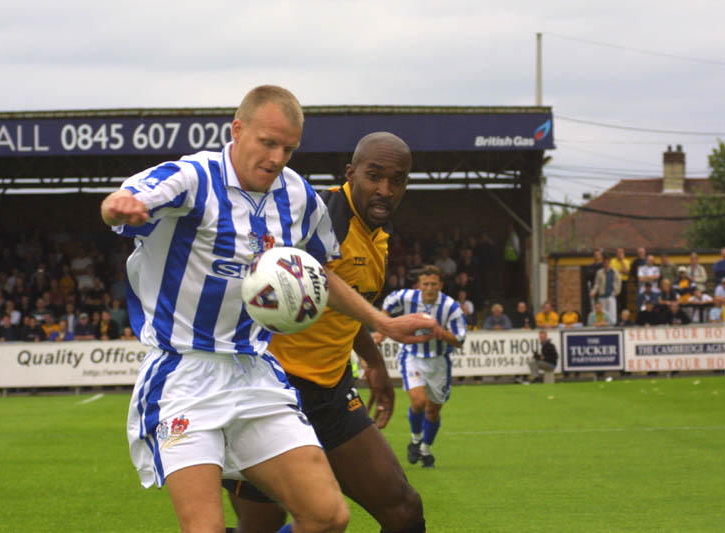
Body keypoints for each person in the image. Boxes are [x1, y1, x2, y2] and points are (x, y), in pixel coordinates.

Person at [100, 85, 436, 532]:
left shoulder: (297, 196)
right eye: (268, 142)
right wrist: (120, 206)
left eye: (289, 148)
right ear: (238, 130)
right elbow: (126, 201)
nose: (278, 157)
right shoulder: (195, 177)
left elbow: (318, 271)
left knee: (328, 516)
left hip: (256, 373)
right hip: (184, 376)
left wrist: (381, 323)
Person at [223, 132, 427, 533]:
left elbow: (341, 311)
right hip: (273, 394)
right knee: (266, 525)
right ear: (351, 174)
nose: (385, 190)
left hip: (331, 395)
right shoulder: (318, 218)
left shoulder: (376, 236)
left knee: (404, 512)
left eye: (397, 180)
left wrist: (374, 364)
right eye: (374, 176)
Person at [381, 265, 467, 468]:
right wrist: (382, 327)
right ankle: (415, 439)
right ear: (419, 285)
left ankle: (426, 450)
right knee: (419, 402)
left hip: (439, 361)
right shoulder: (407, 296)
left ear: (440, 285)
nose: (429, 288)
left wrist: (440, 332)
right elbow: (389, 303)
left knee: (433, 411)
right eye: (425, 284)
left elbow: (460, 339)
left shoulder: (450, 307)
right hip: (413, 356)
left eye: (433, 284)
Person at [590, 254, 621, 324]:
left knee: (612, 314)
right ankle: (602, 326)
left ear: (610, 262)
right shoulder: (599, 272)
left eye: (608, 262)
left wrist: (615, 293)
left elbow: (618, 283)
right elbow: (597, 284)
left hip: (611, 295)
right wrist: (593, 291)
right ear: (603, 262)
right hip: (602, 295)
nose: (606, 263)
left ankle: (612, 327)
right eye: (605, 262)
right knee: (602, 313)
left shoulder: (614, 272)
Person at [609, 247, 631, 312]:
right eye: (618, 252)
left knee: (624, 301)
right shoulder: (612, 261)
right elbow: (612, 272)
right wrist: (621, 271)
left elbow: (626, 272)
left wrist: (622, 261)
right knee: (615, 301)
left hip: (623, 282)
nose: (619, 254)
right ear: (616, 253)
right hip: (614, 283)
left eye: (621, 252)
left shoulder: (626, 261)